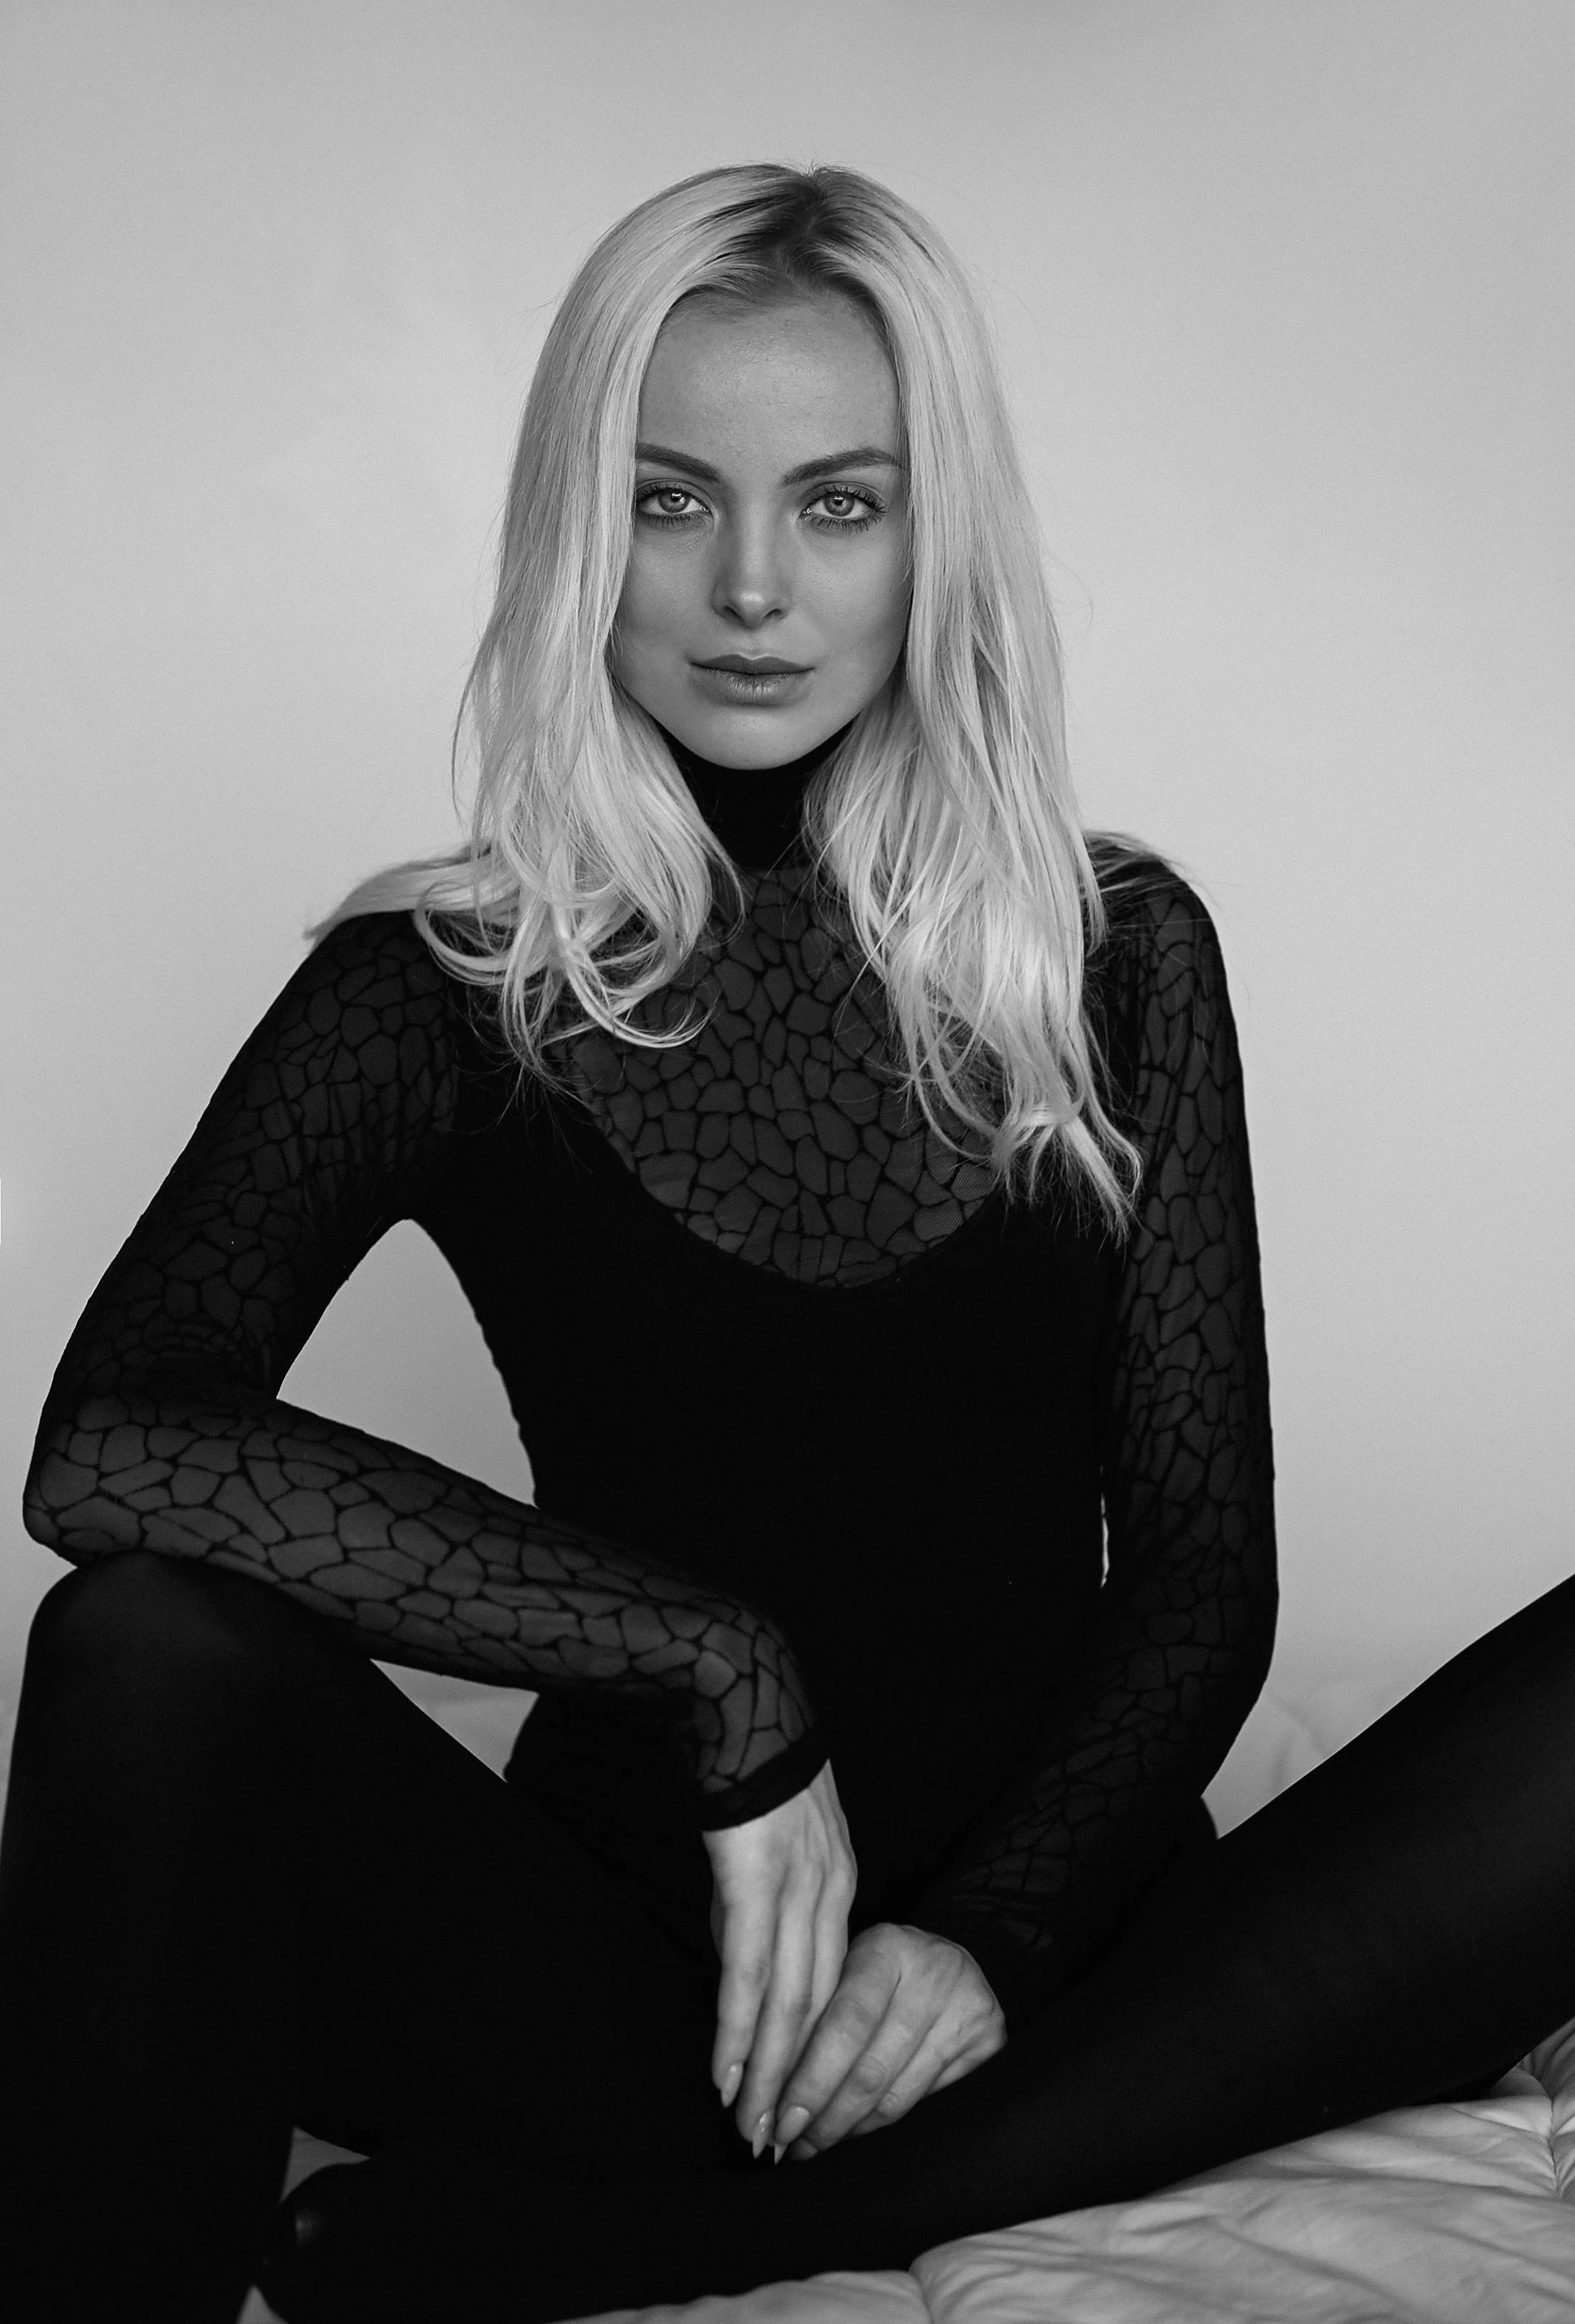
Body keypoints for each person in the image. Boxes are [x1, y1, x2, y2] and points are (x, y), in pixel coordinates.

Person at [3, 163, 1572, 2324]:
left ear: (938, 540)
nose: (751, 586)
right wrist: (720, 1676)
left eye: (839, 504)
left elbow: (1202, 1575)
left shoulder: (1115, 953)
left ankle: (729, 2246)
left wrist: (984, 1938)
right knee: (140, 1644)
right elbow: (111, 1445)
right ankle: (718, 2193)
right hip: (643, 1990)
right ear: (578, 535)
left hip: (1075, 1967)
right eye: (668, 502)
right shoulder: (447, 987)